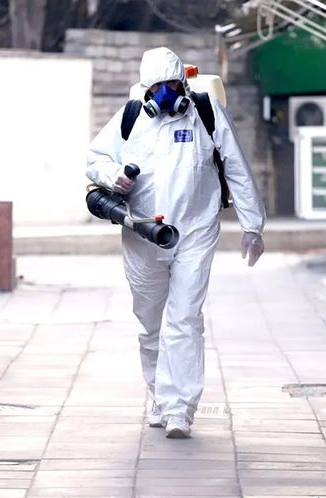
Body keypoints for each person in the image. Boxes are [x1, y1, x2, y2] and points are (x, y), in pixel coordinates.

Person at [87, 47, 265, 438]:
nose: (164, 95)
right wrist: (113, 175)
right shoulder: (131, 117)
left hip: (196, 231)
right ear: (144, 90)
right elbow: (94, 159)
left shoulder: (205, 113)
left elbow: (236, 167)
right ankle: (158, 396)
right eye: (156, 88)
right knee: (150, 323)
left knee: (183, 320)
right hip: (141, 233)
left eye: (170, 86)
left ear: (182, 84)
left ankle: (180, 409)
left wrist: (253, 225)